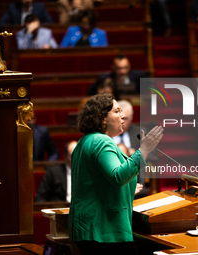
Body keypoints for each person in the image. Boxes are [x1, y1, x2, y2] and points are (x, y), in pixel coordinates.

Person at [68, 93, 163, 255]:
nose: (123, 116)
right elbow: (118, 176)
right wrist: (144, 151)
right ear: (102, 118)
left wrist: (126, 190)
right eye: (117, 111)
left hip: (90, 229)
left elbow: (93, 183)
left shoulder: (85, 141)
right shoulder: (101, 141)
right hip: (103, 230)